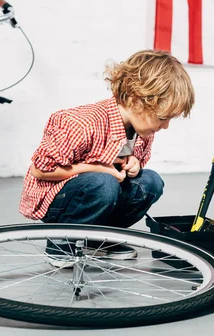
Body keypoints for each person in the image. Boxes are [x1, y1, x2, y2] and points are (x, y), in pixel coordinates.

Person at [18, 49, 195, 266]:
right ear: (135, 100)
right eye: (162, 118)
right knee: (104, 183)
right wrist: (98, 168)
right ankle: (62, 243)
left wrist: (134, 164)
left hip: (103, 193)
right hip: (61, 199)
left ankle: (99, 239)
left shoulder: (143, 130)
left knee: (151, 182)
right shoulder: (81, 124)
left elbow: (129, 167)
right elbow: (40, 170)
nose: (165, 126)